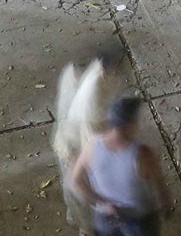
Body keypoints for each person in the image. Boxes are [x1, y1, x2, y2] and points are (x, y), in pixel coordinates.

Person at [69, 96, 174, 236]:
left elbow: (76, 182)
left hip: (105, 220)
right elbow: (160, 189)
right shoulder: (143, 154)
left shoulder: (92, 145)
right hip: (139, 222)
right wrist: (166, 207)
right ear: (132, 123)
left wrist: (101, 204)